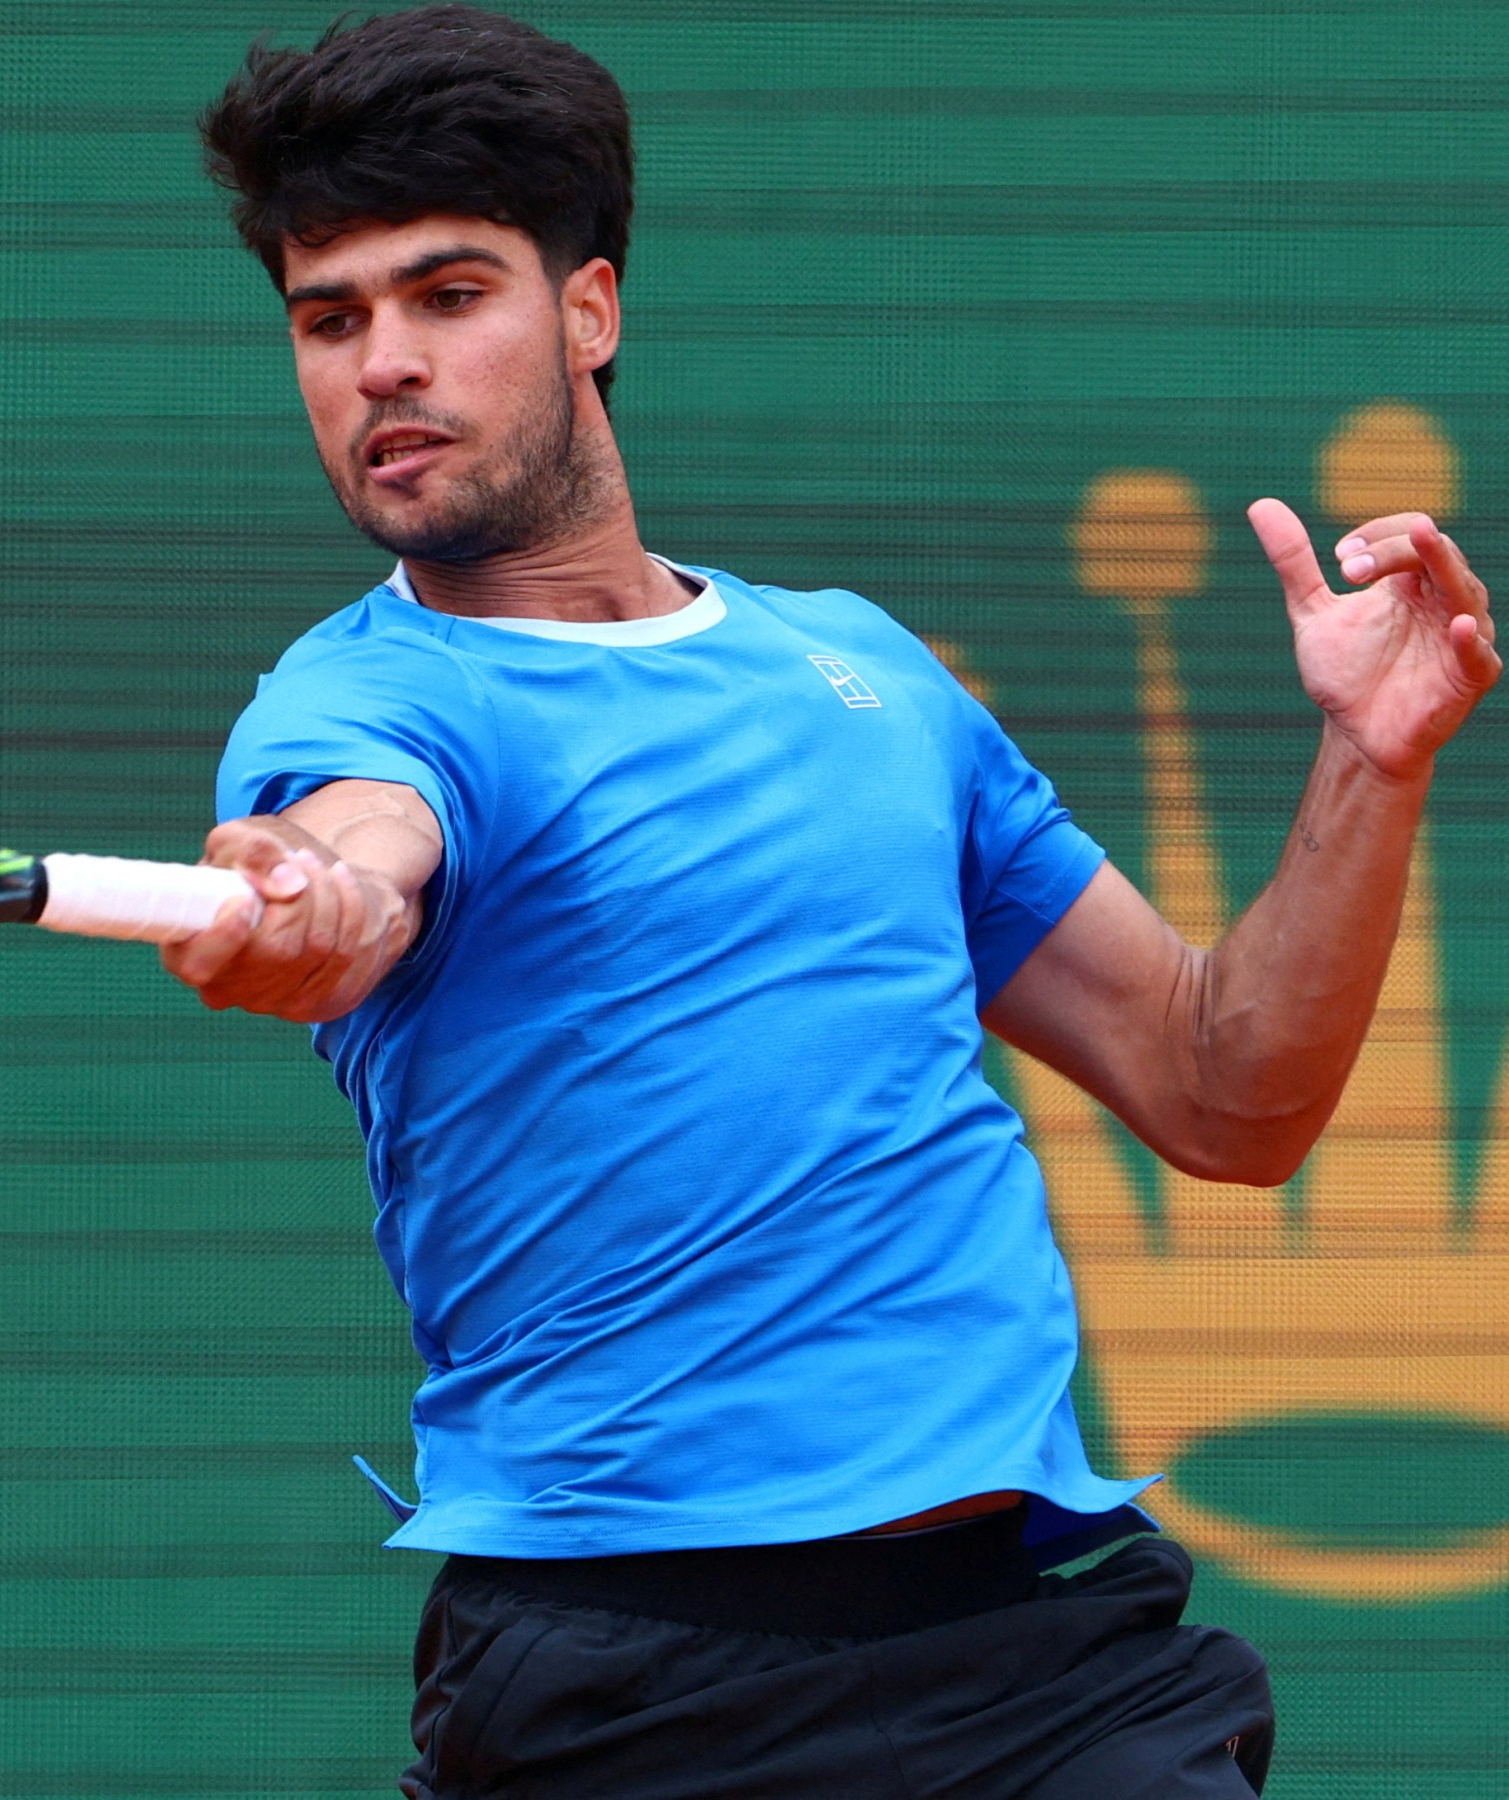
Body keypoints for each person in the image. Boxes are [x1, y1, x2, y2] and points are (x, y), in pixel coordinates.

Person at [165, 8, 1498, 1795]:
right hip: (629, 1682)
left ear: (588, 310)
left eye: (447, 295)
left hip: (1038, 1658)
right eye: (329, 321)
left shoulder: (861, 669)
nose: (383, 364)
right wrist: (313, 898)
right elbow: (354, 856)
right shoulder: (362, 706)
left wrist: (1373, 760)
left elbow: (1226, 1089)